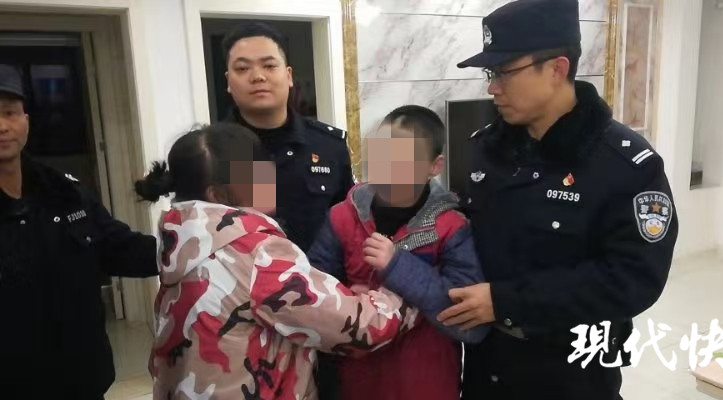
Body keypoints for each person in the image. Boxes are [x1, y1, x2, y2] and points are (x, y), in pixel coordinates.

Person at [436, 1, 679, 399]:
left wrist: (507, 301)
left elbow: (632, 280)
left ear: (556, 69)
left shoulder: (624, 164)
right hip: (487, 368)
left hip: (570, 376)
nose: (492, 87)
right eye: (490, 74)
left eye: (504, 72)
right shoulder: (487, 149)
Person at [136, 122, 419, 400]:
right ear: (218, 195)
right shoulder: (255, 254)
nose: (269, 177)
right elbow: (360, 327)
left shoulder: (180, 241)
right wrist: (406, 286)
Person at [307, 105, 489, 400]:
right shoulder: (342, 217)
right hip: (356, 385)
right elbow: (312, 294)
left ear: (434, 166)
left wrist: (397, 266)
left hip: (427, 386)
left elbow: (471, 326)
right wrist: (351, 299)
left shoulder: (452, 227)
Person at [0, 64, 158, 398]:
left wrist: (190, 249)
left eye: (9, 113)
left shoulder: (63, 190)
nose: (2, 126)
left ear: (25, 119)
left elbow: (117, 247)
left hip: (81, 379)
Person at [221, 22, 354, 252]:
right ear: (228, 82)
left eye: (269, 65)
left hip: (319, 273)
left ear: (289, 75)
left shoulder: (328, 145)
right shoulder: (211, 151)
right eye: (242, 68)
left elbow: (349, 226)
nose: (258, 76)